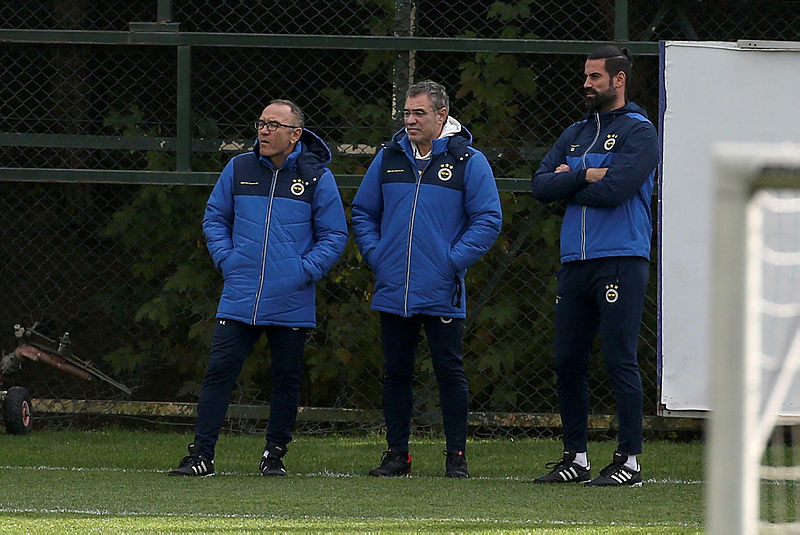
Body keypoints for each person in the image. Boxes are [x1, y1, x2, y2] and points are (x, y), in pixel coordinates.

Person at [169, 99, 348, 477]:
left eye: (273, 125)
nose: (264, 131)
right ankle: (201, 455)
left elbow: (334, 235)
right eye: (262, 123)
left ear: (295, 134)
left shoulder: (317, 177)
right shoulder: (239, 168)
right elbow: (215, 218)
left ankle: (274, 455)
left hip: (291, 296)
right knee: (219, 372)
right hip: (241, 293)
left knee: (286, 378)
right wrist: (228, 260)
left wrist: (303, 271)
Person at [352, 80, 502, 478]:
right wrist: (378, 256)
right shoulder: (388, 157)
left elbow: (488, 219)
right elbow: (363, 212)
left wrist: (451, 262)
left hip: (441, 286)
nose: (410, 120)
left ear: (442, 115)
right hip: (393, 286)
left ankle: (456, 457)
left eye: (419, 113)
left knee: (449, 372)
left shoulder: (468, 161)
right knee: (396, 373)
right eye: (407, 112)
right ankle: (397, 455)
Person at [530, 46, 658, 487]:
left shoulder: (640, 131)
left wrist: (568, 179)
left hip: (620, 257)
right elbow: (539, 186)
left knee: (619, 358)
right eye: (585, 76)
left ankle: (629, 460)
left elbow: (616, 191)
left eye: (595, 77)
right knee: (567, 360)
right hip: (575, 261)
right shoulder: (575, 132)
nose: (586, 84)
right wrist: (586, 173)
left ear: (618, 80)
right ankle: (576, 458)